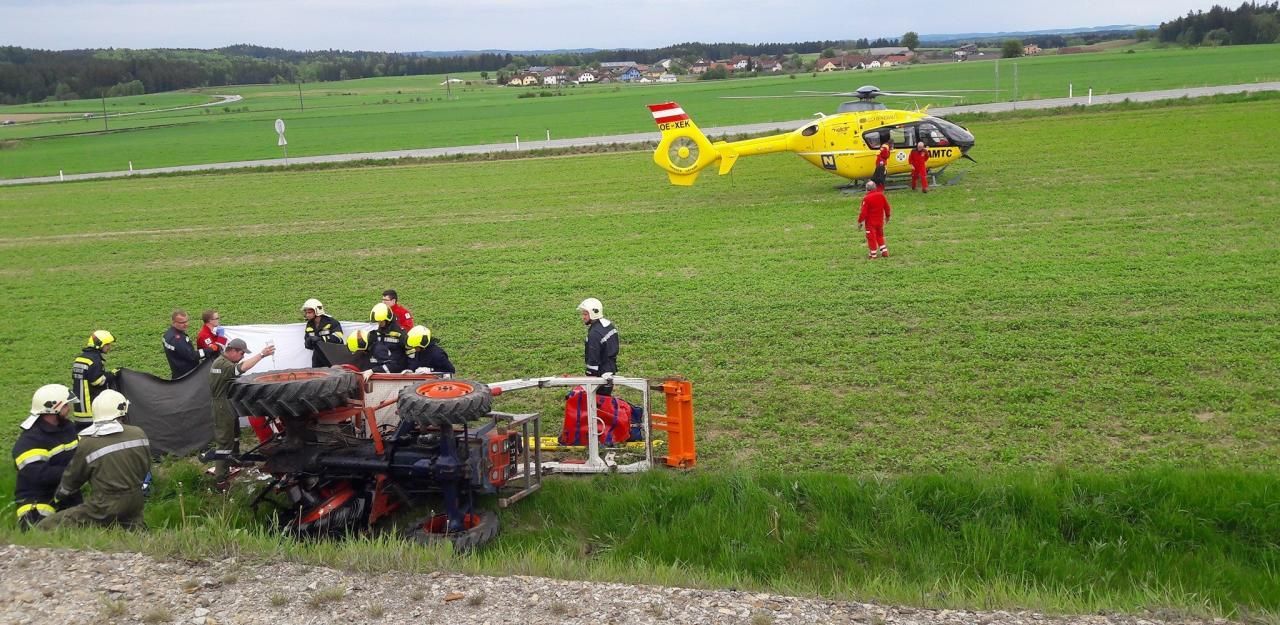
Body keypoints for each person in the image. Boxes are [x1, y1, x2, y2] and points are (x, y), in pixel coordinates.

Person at [37, 389, 151, 530]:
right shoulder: (139, 433)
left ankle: (34, 538)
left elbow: (73, 477)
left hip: (106, 503)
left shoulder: (89, 442)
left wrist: (59, 496)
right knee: (135, 528)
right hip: (136, 498)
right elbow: (145, 467)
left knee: (48, 525)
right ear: (123, 410)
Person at [208, 338, 276, 487]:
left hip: (227, 402)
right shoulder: (222, 364)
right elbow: (241, 368)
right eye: (241, 353)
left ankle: (235, 458)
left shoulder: (224, 362)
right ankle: (221, 478)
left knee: (235, 434)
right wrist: (262, 355)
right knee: (224, 441)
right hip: (222, 405)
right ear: (231, 351)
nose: (243, 356)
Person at [12, 384, 82, 528]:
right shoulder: (30, 441)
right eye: (65, 406)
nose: (69, 409)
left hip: (68, 493)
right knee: (37, 530)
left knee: (85, 527)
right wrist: (76, 472)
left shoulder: (67, 428)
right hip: (38, 498)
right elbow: (39, 476)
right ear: (53, 408)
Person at [71, 330, 117, 430]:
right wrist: (112, 374)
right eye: (107, 344)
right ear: (99, 344)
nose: (109, 347)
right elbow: (98, 381)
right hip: (90, 410)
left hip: (79, 409)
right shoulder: (94, 360)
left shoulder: (80, 359)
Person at [578, 298, 619, 396]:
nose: (583, 317)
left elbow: (593, 359)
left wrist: (590, 377)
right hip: (610, 369)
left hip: (601, 375)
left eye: (585, 314)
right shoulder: (608, 326)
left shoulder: (594, 334)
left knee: (597, 403)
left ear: (593, 313)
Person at [302, 298, 345, 368]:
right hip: (317, 357)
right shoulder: (309, 324)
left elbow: (338, 338)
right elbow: (307, 345)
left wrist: (321, 339)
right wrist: (308, 341)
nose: (307, 315)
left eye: (309, 312)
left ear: (317, 311)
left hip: (333, 355)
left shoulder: (332, 322)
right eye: (306, 313)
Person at [367, 303, 408, 373]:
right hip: (380, 368)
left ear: (388, 320)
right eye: (378, 322)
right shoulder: (376, 334)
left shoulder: (400, 334)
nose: (379, 324)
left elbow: (405, 356)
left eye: (381, 321)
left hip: (396, 371)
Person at [857, 181, 892, 259]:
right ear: (875, 187)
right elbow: (887, 207)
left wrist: (860, 221)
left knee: (871, 238)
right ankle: (884, 252)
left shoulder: (866, 198)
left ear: (866, 189)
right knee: (880, 236)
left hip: (870, 223)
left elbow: (863, 213)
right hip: (880, 221)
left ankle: (873, 255)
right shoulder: (881, 195)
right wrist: (887, 216)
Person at [163, 309, 201, 379]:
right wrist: (209, 350)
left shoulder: (168, 334)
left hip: (177, 372)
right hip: (187, 375)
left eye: (186, 321)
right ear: (173, 322)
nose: (186, 324)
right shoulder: (178, 339)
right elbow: (192, 356)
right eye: (182, 322)